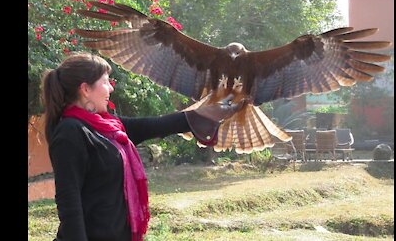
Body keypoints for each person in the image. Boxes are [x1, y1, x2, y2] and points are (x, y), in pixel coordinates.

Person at [41, 52, 245, 241]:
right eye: (105, 82)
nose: (111, 88)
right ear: (85, 89)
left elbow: (156, 125)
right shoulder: (70, 132)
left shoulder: (110, 127)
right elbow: (69, 202)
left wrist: (209, 113)